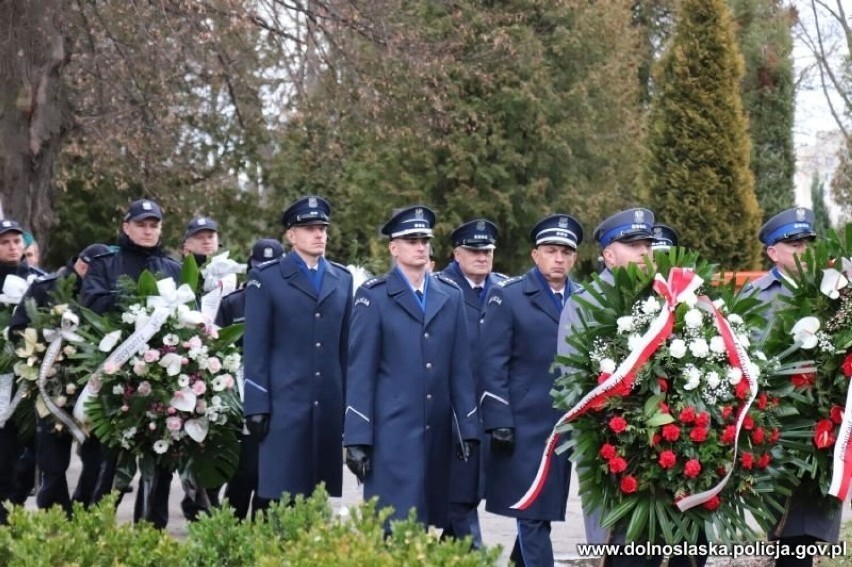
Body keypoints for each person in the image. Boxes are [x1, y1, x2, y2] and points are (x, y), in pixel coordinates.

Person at [343, 205, 479, 531]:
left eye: (424, 239)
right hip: (392, 434)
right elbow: (361, 370)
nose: (420, 246)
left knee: (432, 525)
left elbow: (460, 367)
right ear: (394, 248)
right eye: (411, 239)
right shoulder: (373, 297)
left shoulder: (450, 296)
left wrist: (469, 426)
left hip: (437, 433)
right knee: (393, 526)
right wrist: (357, 436)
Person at [479, 213, 583, 566]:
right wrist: (498, 418)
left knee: (542, 511)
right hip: (523, 425)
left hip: (564, 425)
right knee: (532, 513)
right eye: (551, 250)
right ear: (535, 255)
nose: (559, 258)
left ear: (574, 258)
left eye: (566, 252)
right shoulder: (508, 296)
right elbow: (491, 362)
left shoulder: (583, 299)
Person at [243, 197, 353, 506]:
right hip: (283, 404)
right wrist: (256, 404)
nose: (319, 234)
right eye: (309, 229)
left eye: (322, 228)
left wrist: (349, 407)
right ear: (291, 236)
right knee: (278, 495)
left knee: (315, 498)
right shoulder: (267, 278)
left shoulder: (342, 279)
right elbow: (256, 347)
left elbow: (345, 350)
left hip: (327, 404)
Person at [80, 198, 181, 529]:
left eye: (154, 225)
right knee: (107, 464)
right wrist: (138, 302)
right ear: (126, 227)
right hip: (115, 378)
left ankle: (151, 532)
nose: (148, 230)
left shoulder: (173, 269)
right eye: (141, 224)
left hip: (163, 379)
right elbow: (91, 304)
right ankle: (95, 530)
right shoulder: (106, 264)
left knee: (160, 464)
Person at [744, 208, 836, 567]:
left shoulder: (832, 291)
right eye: (792, 244)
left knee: (810, 530)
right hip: (778, 428)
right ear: (772, 252)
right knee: (786, 531)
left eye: (807, 243)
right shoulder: (757, 295)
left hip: (825, 428)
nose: (802, 250)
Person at [8, 243, 113, 516]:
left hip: (93, 389)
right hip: (53, 387)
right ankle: (58, 516)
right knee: (52, 463)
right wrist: (45, 342)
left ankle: (83, 510)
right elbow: (17, 330)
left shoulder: (108, 294)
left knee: (97, 460)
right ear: (80, 263)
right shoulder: (46, 289)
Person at [438, 218, 507, 548]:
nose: (482, 257)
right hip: (451, 408)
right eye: (474, 251)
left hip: (491, 408)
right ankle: (475, 554)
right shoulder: (440, 288)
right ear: (456, 254)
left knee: (473, 492)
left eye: (487, 251)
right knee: (460, 496)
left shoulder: (505, 289)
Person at [216, 238, 284, 519]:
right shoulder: (233, 304)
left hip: (279, 397)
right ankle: (229, 532)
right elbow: (217, 350)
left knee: (272, 475)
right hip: (240, 399)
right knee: (244, 472)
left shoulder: (288, 302)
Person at [0, 219, 45, 525]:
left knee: (33, 453)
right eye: (5, 242)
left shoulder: (38, 280)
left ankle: (14, 506)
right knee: (3, 454)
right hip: (2, 384)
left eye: (17, 241)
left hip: (30, 380)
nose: (13, 247)